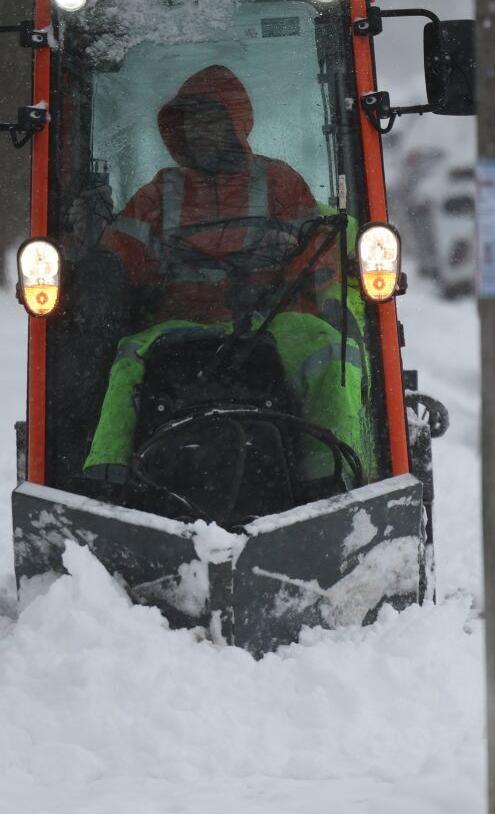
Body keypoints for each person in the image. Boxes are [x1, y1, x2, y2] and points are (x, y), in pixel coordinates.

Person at [79, 65, 373, 494]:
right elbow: (120, 254)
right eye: (191, 122)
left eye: (211, 120)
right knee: (127, 358)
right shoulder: (159, 193)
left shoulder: (279, 182)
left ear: (236, 123)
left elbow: (320, 246)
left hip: (273, 320)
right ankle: (104, 488)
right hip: (182, 324)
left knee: (331, 350)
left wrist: (280, 288)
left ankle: (330, 485)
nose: (199, 131)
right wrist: (96, 270)